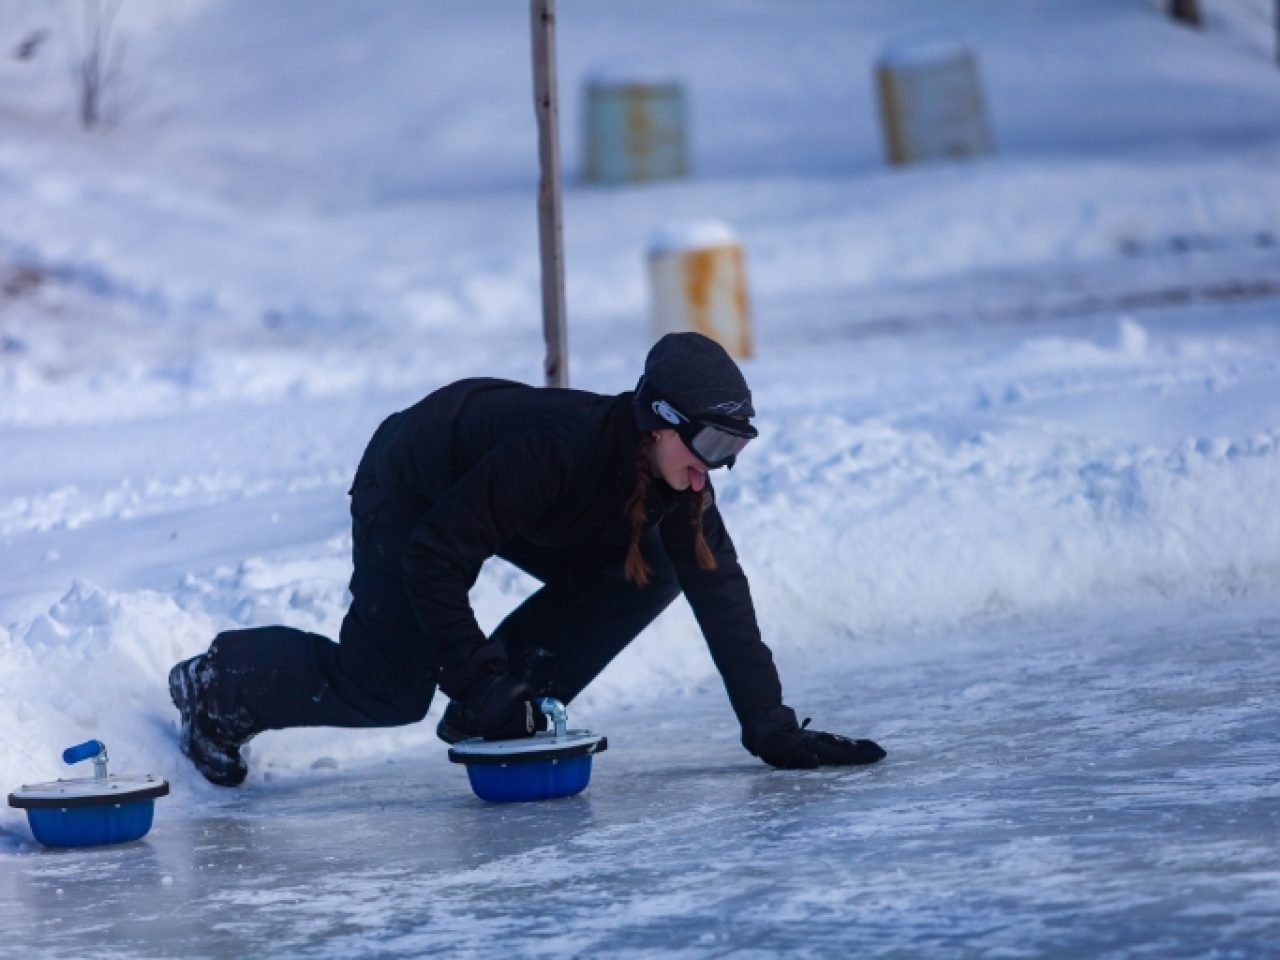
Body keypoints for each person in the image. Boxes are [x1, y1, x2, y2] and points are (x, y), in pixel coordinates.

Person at [169, 332, 886, 787]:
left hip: (511, 504)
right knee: (389, 689)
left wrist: (771, 728)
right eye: (712, 444)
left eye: (733, 449)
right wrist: (478, 679)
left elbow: (719, 588)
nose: (715, 468)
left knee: (658, 567)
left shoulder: (677, 482)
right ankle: (220, 686)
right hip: (412, 484)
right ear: (658, 422)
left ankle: (503, 702)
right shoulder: (557, 452)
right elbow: (432, 559)